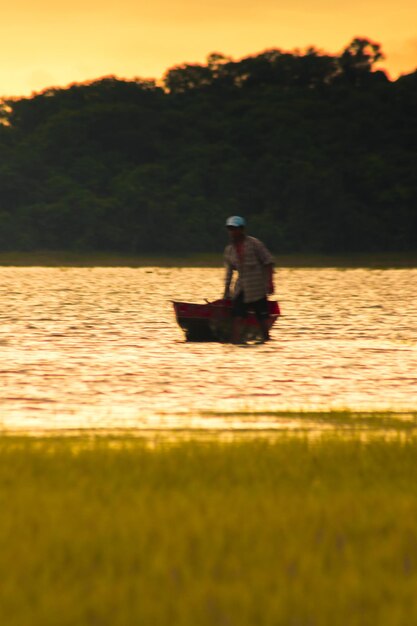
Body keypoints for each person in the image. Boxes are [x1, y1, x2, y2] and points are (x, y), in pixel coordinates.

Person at [223, 215, 275, 343]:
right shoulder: (229, 250)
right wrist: (226, 291)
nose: (232, 232)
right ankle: (236, 342)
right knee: (237, 317)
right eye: (230, 229)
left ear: (242, 229)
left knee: (262, 319)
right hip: (241, 288)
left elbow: (268, 261)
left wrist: (270, 282)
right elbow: (229, 273)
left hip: (257, 288)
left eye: (235, 229)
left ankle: (266, 340)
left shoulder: (254, 244)